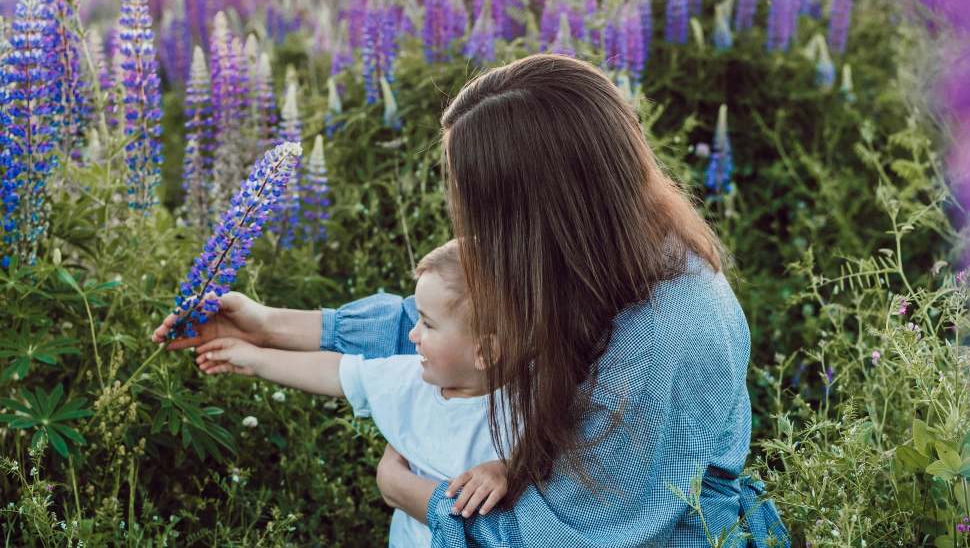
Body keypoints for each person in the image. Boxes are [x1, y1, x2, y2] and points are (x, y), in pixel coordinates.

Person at [155, 54, 789, 546]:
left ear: (543, 211)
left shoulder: (666, 339)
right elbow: (452, 322)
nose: (473, 232)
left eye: (484, 208)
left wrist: (408, 491)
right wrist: (266, 326)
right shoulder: (609, 255)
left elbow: (555, 537)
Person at [169, 240, 510, 547]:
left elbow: (549, 463)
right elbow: (337, 372)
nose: (412, 335)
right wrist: (255, 358)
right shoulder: (411, 380)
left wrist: (506, 468)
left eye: (428, 324)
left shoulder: (528, 404)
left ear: (485, 351)